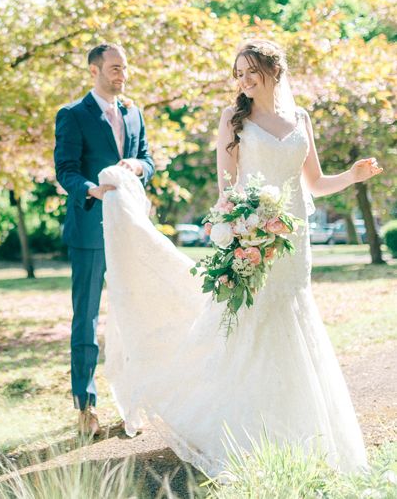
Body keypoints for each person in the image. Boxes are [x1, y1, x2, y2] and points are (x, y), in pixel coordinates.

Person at [99, 39, 382, 476]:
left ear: (275, 71)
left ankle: (300, 432)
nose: (245, 80)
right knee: (252, 326)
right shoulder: (234, 119)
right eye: (239, 73)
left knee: (292, 320)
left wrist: (354, 175)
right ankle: (244, 431)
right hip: (252, 238)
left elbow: (316, 183)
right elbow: (227, 189)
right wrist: (241, 230)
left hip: (293, 242)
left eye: (253, 71)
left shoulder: (300, 118)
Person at [54, 42, 155, 436]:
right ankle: (86, 405)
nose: (122, 75)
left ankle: (135, 400)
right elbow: (65, 170)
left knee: (133, 312)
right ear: (94, 70)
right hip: (89, 230)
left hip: (129, 228)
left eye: (124, 68)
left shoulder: (134, 113)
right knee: (87, 318)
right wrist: (90, 189)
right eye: (114, 68)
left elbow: (147, 158)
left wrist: (138, 166)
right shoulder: (73, 116)